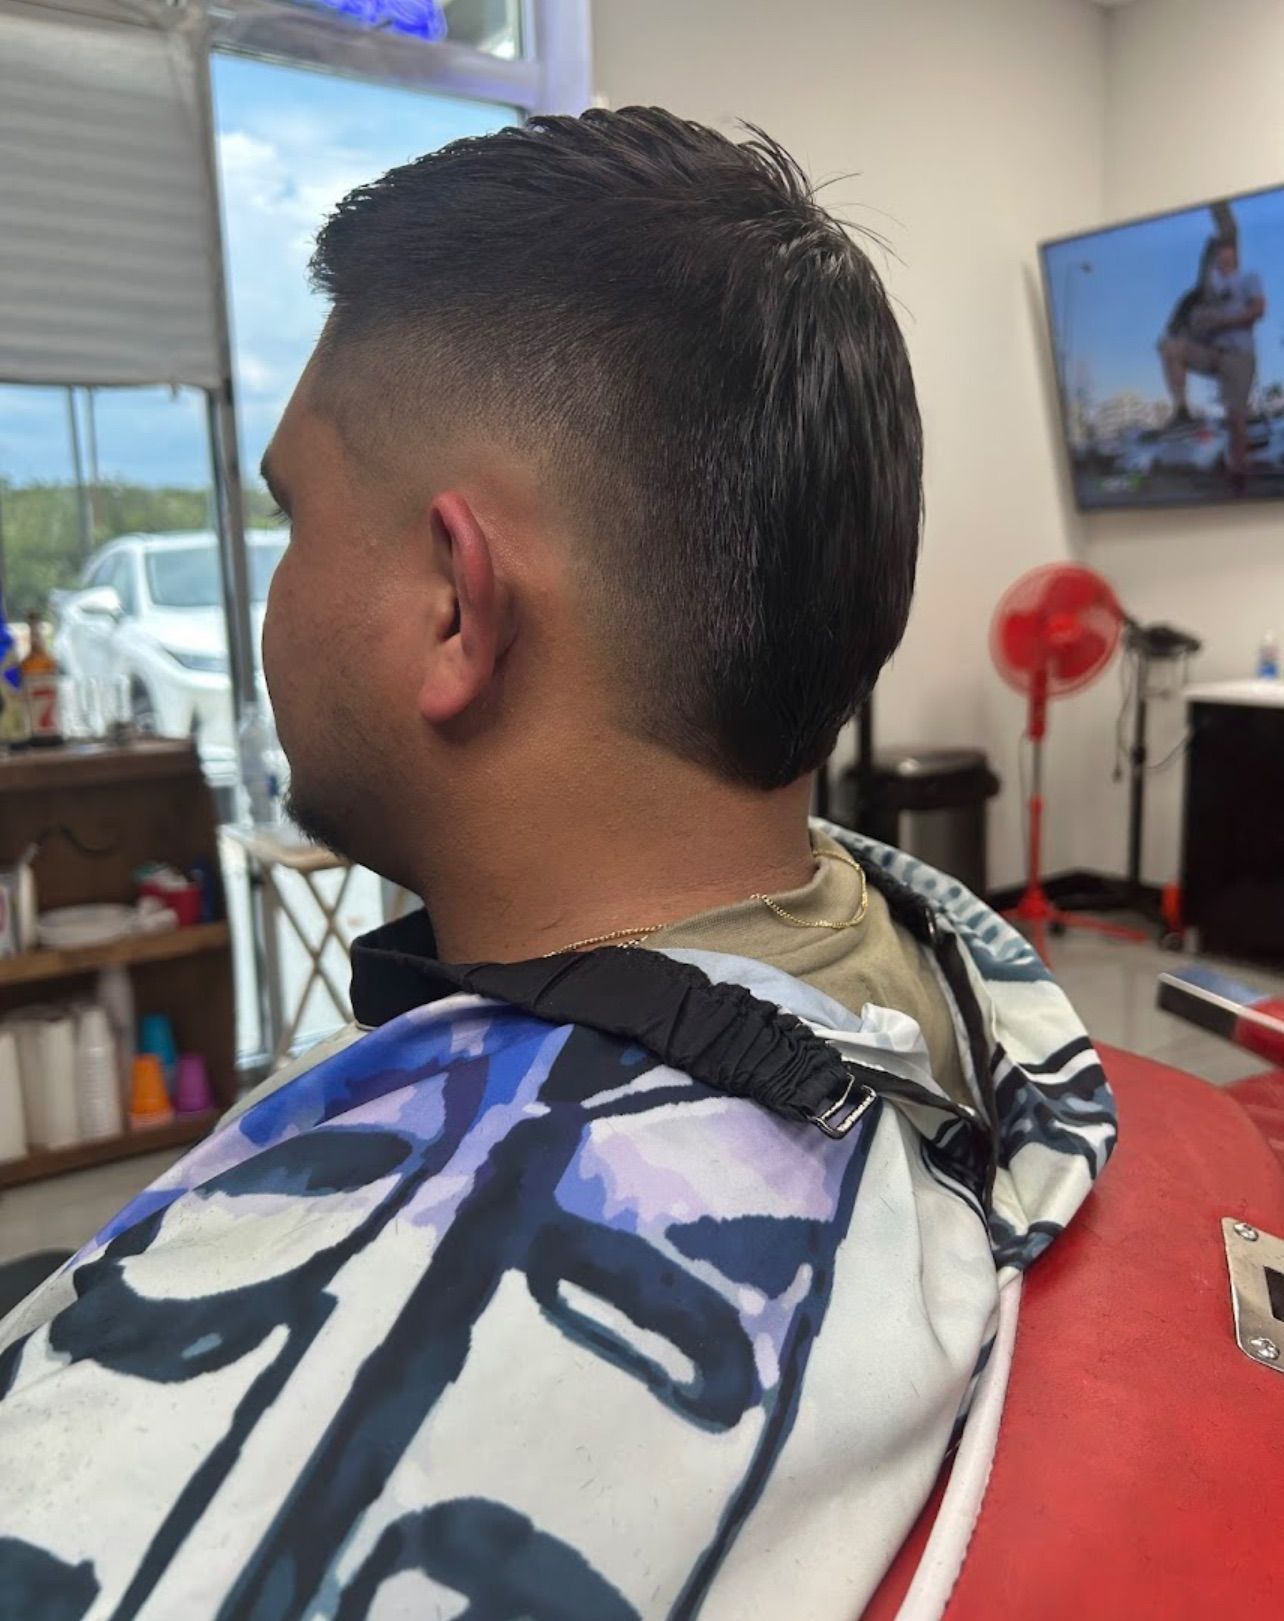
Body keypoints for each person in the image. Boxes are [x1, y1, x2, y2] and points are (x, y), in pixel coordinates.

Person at [0, 109, 1113, 1619]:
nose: (277, 585)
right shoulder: (941, 972)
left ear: (458, 605)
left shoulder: (247, 1468)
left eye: (291, 515)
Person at [1159, 205, 1266, 487]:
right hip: (1212, 354)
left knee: (1236, 419)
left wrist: (1222, 322)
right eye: (1219, 254)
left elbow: (1258, 310)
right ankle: (1182, 410)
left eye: (1227, 252)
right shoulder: (1203, 292)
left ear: (1234, 255)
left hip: (1238, 355)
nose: (1223, 257)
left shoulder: (1246, 278)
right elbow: (1201, 284)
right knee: (1169, 347)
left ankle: (1239, 472)